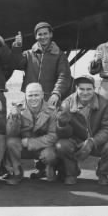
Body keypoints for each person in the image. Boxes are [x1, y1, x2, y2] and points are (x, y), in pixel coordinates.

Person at [11, 21, 72, 179]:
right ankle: (41, 168)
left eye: (46, 33)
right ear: (36, 36)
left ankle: (53, 165)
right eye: (39, 34)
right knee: (30, 130)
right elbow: (16, 63)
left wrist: (56, 93)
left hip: (50, 98)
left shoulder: (59, 55)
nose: (43, 37)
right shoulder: (29, 54)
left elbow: (64, 76)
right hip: (31, 98)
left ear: (51, 34)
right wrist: (16, 48)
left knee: (50, 133)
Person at [55, 75, 108, 185]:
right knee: (61, 145)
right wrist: (62, 124)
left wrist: (92, 142)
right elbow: (63, 135)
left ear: (94, 89)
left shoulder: (104, 103)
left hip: (97, 141)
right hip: (76, 141)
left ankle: (102, 172)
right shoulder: (66, 104)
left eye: (89, 89)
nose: (85, 92)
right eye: (82, 89)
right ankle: (71, 173)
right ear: (76, 89)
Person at [5, 83, 58, 185]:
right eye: (30, 95)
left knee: (50, 155)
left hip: (42, 147)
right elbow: (11, 134)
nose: (33, 98)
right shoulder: (17, 108)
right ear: (25, 95)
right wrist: (14, 117)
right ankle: (17, 172)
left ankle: (48, 168)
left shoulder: (52, 111)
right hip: (22, 146)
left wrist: (30, 142)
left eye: (36, 95)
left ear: (42, 95)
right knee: (11, 142)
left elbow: (53, 136)